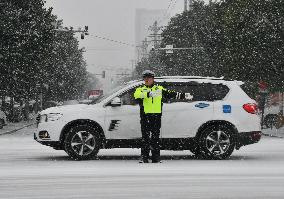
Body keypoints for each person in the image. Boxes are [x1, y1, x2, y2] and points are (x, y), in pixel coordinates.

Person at [134, 70, 193, 163]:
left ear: (153, 79)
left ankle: (155, 158)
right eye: (145, 78)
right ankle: (144, 157)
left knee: (155, 138)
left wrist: (184, 95)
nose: (146, 80)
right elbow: (136, 96)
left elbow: (171, 94)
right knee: (145, 138)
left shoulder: (159, 89)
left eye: (148, 78)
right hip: (145, 116)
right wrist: (148, 94)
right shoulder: (140, 89)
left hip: (156, 116)